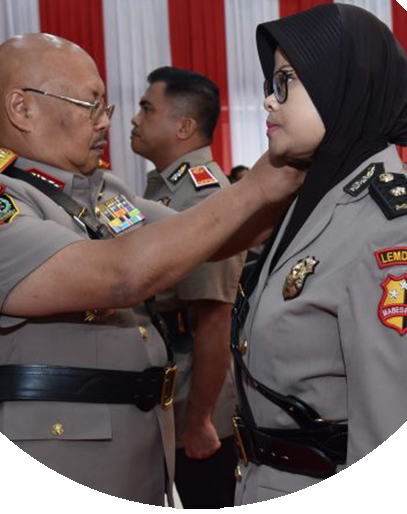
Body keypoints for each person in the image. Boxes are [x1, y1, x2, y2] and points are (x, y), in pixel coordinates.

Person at [0, 34, 304, 507]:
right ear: (22, 108)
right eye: (91, 105)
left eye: (107, 106)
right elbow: (120, 277)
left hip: (137, 458)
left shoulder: (101, 193)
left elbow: (216, 235)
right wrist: (258, 185)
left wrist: (296, 167)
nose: (106, 122)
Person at [231, 4, 407, 505]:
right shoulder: (316, 200)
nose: (269, 100)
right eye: (272, 83)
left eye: (286, 81)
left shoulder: (395, 235)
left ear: (343, 85)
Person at [131, 66, 243, 508]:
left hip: (194, 400)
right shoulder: (167, 189)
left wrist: (199, 420)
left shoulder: (202, 198)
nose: (135, 119)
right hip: (168, 387)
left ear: (184, 126)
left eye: (147, 108)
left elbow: (214, 319)